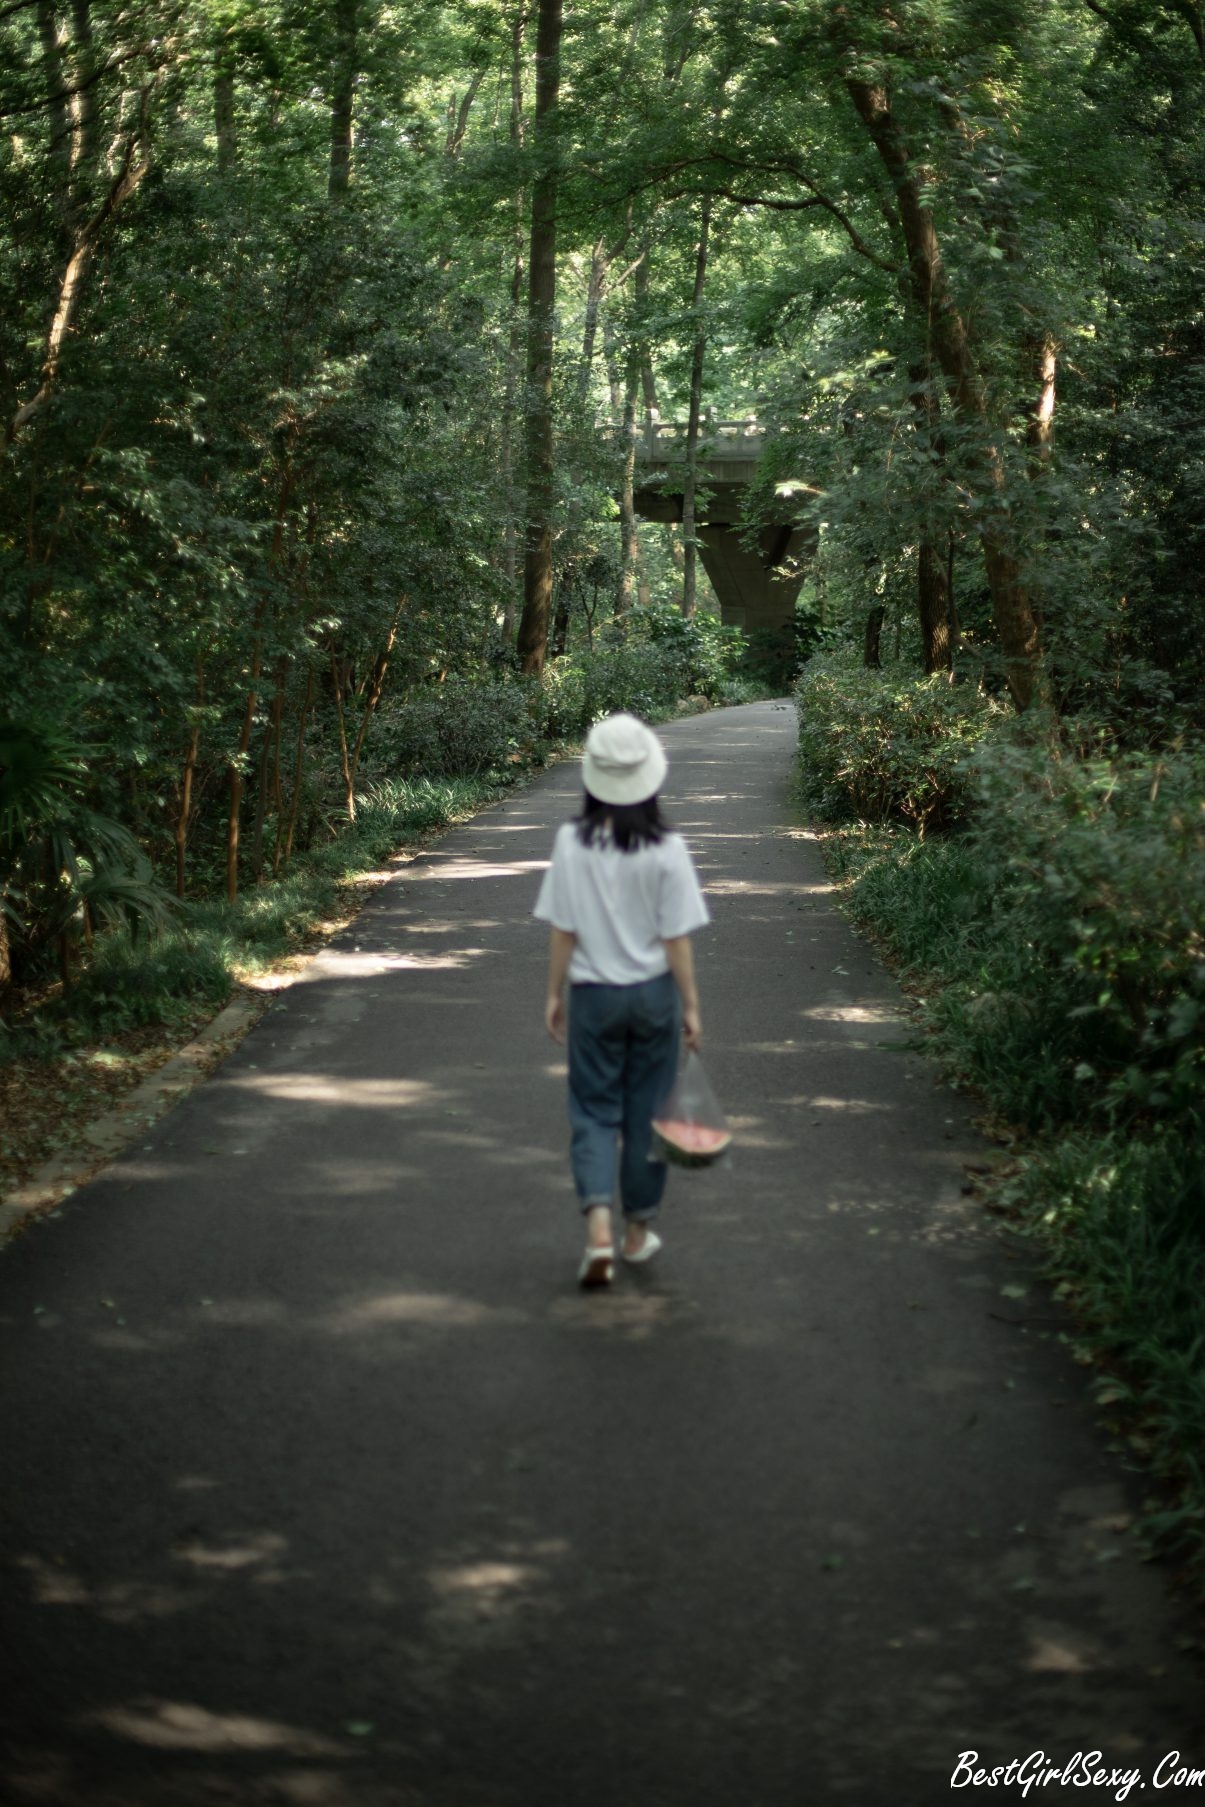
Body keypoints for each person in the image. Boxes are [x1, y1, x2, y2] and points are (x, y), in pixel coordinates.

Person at [533, 712, 710, 1288]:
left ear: (594, 777)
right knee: (648, 1114)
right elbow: (676, 938)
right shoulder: (667, 847)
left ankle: (598, 1230)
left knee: (592, 1111)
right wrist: (690, 1006)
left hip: (593, 997)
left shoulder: (572, 841)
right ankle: (637, 1233)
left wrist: (553, 993)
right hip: (654, 997)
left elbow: (563, 928)